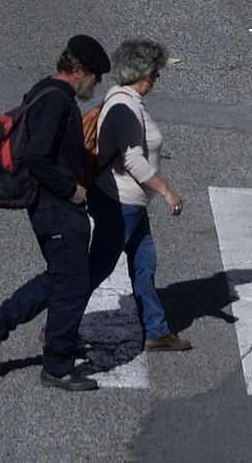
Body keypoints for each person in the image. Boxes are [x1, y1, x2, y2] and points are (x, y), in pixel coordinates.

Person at [0, 34, 110, 392]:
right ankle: (57, 367)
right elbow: (35, 155)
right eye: (95, 76)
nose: (96, 84)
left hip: (51, 207)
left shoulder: (44, 91)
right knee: (73, 284)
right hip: (57, 207)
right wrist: (71, 189)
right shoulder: (57, 103)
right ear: (78, 70)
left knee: (62, 278)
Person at [86, 37, 191, 353]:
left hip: (131, 203)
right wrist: (168, 191)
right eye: (154, 74)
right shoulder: (125, 108)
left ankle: (157, 330)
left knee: (145, 263)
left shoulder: (121, 99)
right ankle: (54, 327)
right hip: (121, 203)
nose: (156, 80)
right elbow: (133, 160)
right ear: (140, 74)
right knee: (96, 269)